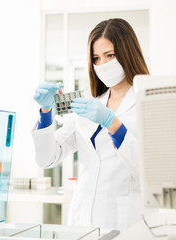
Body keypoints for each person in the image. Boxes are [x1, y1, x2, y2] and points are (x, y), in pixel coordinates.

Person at [32, 18, 149, 231]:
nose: (102, 65)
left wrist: (112, 123)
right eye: (96, 58)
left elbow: (150, 171)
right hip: (82, 220)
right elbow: (47, 158)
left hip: (125, 222)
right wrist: (46, 112)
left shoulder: (147, 102)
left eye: (110, 55)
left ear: (127, 52)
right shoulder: (90, 106)